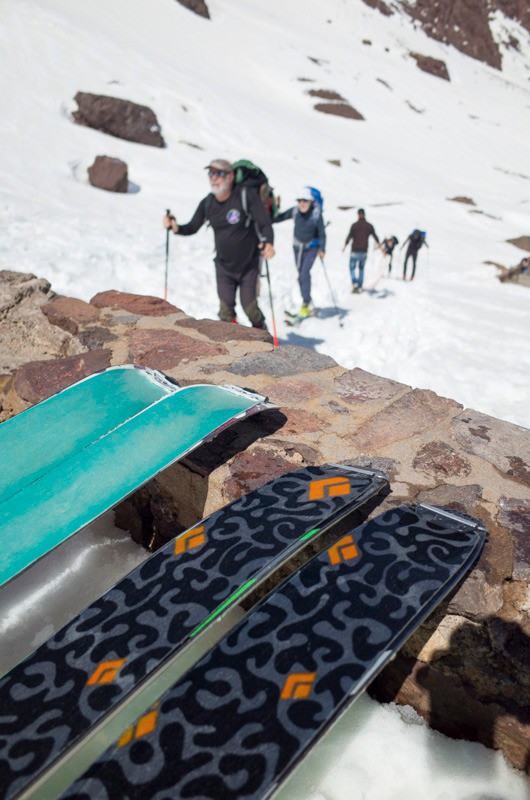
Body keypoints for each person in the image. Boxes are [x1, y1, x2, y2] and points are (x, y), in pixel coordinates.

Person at [163, 158, 275, 328]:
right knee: (225, 312)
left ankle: (263, 336)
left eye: (219, 173)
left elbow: (264, 223)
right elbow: (193, 227)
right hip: (224, 268)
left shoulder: (245, 196)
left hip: (248, 267)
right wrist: (175, 227)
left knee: (250, 308)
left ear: (230, 176)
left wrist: (268, 243)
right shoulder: (208, 203)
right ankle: (232, 344)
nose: (214, 178)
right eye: (211, 174)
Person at [274, 187, 326, 316]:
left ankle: (306, 303)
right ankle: (306, 300)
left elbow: (322, 234)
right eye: (300, 201)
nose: (302, 203)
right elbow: (276, 218)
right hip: (297, 249)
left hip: (311, 248)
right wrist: (275, 206)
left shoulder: (316, 214)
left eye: (305, 201)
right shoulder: (295, 211)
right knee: (301, 276)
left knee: (304, 273)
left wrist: (322, 249)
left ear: (311, 202)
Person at [342, 208, 379, 293]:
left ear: (358, 214)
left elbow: (349, 236)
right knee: (361, 268)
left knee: (352, 267)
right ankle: (360, 285)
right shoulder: (369, 225)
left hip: (355, 250)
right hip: (364, 251)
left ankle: (355, 283)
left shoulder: (354, 225)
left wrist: (345, 245)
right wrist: (379, 245)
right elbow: (375, 236)